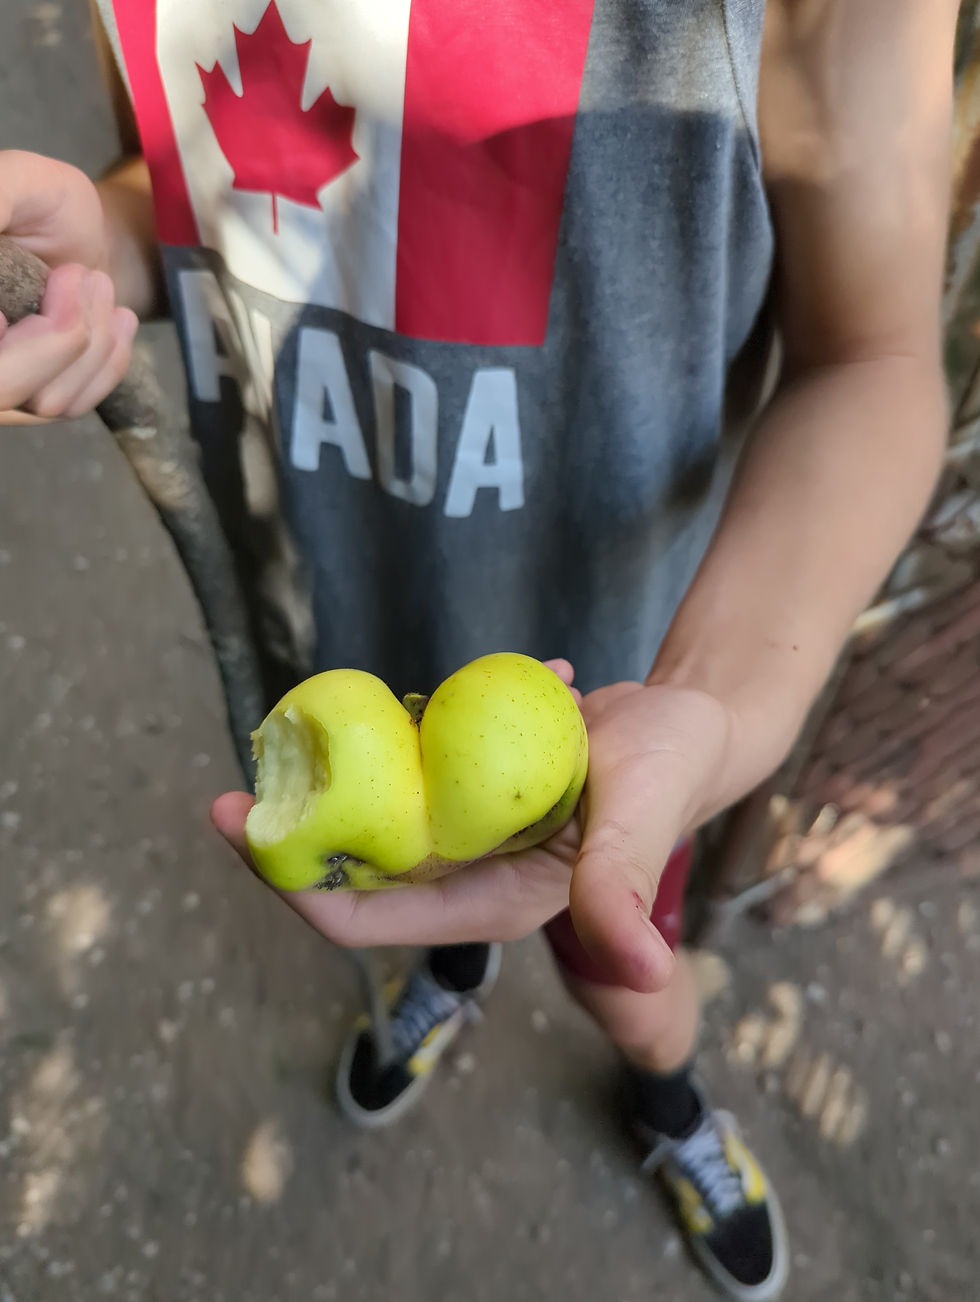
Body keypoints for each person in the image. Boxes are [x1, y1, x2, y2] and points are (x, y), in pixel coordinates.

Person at [0, 1, 959, 1297]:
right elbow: (195, 193)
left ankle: (671, 1097)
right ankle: (453, 973)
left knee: (625, 972)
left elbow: (874, 357)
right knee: (434, 893)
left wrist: (712, 711)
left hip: (625, 707)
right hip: (338, 622)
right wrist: (95, 256)